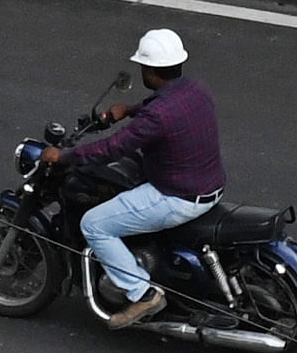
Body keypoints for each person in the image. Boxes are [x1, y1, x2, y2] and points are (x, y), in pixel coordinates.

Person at [73, 28, 225, 326]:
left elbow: (111, 149)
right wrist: (129, 110)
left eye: (142, 66)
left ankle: (142, 293)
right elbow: (167, 104)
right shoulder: (196, 88)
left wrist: (63, 156)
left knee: (93, 224)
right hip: (210, 185)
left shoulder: (156, 117)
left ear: (151, 71)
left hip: (178, 197)